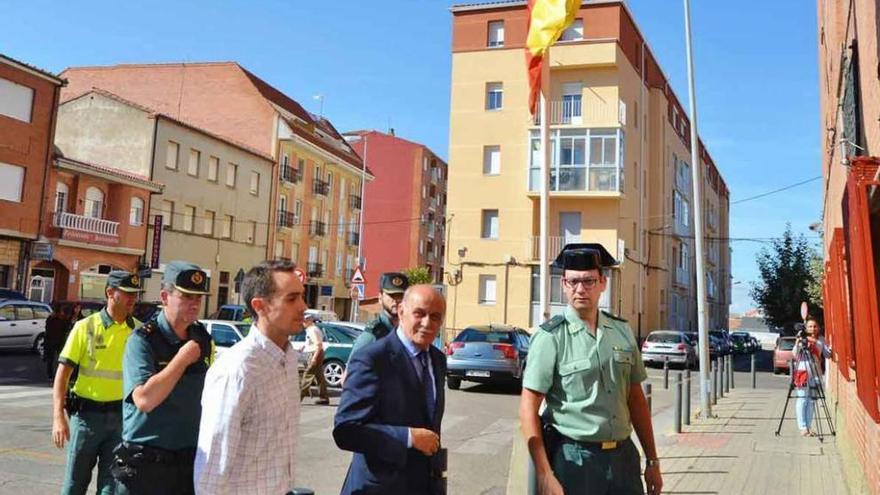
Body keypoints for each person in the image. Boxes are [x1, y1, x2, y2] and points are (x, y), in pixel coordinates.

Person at [519, 243, 662, 495]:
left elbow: (636, 399)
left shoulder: (622, 331)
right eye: (573, 282)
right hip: (576, 462)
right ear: (563, 284)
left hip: (623, 459)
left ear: (602, 283)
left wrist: (652, 460)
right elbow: (528, 408)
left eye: (588, 281)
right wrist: (544, 473)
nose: (580, 289)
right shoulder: (551, 336)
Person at [194, 260, 307, 494]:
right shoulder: (237, 370)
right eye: (291, 299)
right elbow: (213, 466)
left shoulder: (288, 358)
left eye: (302, 297)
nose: (303, 306)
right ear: (260, 306)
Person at [333, 285, 447, 495]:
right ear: (401, 311)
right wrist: (408, 437)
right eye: (419, 314)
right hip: (379, 487)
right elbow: (346, 430)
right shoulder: (373, 359)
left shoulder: (438, 360)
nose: (427, 323)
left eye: (435, 317)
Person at [114, 261, 214, 495]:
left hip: (187, 460)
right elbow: (145, 400)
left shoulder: (201, 338)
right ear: (164, 296)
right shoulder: (142, 340)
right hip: (147, 464)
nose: (195, 303)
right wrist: (181, 359)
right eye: (187, 296)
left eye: (199, 297)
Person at [51, 271, 143, 495]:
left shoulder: (139, 331)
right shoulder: (85, 327)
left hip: (122, 419)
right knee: (75, 483)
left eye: (135, 294)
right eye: (127, 293)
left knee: (111, 486)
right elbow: (62, 374)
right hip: (86, 419)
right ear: (110, 293)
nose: (133, 298)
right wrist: (58, 417)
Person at [347, 272, 409, 361]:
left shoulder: (410, 331)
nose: (396, 300)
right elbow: (351, 371)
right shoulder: (372, 335)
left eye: (400, 295)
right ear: (380, 298)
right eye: (391, 295)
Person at [793, 317, 831, 436]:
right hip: (802, 372)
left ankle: (809, 426)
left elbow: (827, 355)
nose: (813, 329)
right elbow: (794, 353)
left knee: (812, 401)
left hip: (816, 373)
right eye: (810, 326)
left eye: (815, 326)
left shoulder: (821, 340)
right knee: (802, 399)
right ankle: (802, 427)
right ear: (806, 328)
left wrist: (829, 346)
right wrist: (798, 341)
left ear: (818, 328)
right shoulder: (802, 339)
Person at [300, 313, 329, 404]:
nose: (303, 323)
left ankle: (298, 398)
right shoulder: (310, 329)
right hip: (315, 353)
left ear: (309, 321)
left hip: (315, 354)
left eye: (304, 321)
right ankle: (324, 398)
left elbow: (319, 345)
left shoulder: (313, 330)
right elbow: (310, 342)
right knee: (319, 377)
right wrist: (303, 347)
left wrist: (314, 358)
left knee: (307, 375)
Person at [44, 305, 72, 379]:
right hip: (59, 341)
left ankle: (50, 374)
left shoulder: (50, 319)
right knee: (60, 358)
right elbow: (65, 329)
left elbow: (47, 329)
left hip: (51, 340)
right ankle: (56, 373)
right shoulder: (62, 320)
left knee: (51, 359)